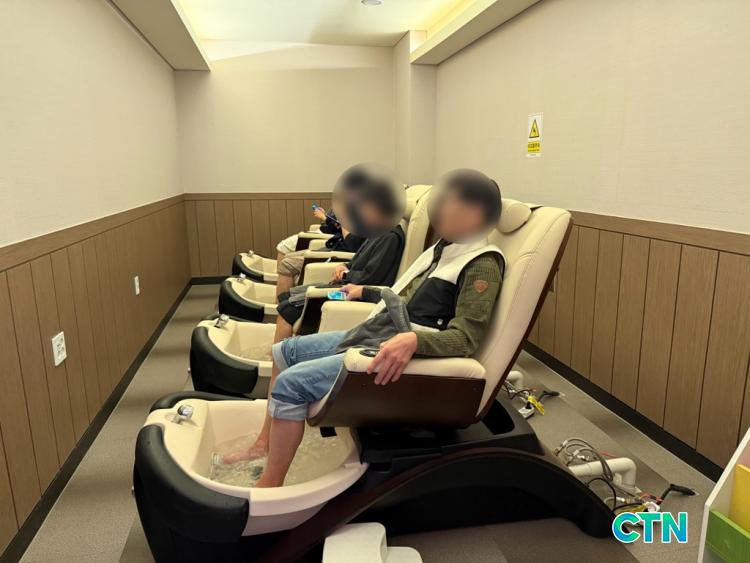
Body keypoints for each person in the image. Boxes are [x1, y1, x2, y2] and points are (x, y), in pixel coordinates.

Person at [221, 169, 505, 488]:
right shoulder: (445, 249)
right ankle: (263, 443)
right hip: (381, 331)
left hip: (398, 352)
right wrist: (364, 290)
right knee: (283, 351)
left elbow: (465, 339)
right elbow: (402, 295)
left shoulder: (481, 264)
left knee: (290, 384)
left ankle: (269, 487)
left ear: (476, 214)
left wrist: (414, 341)